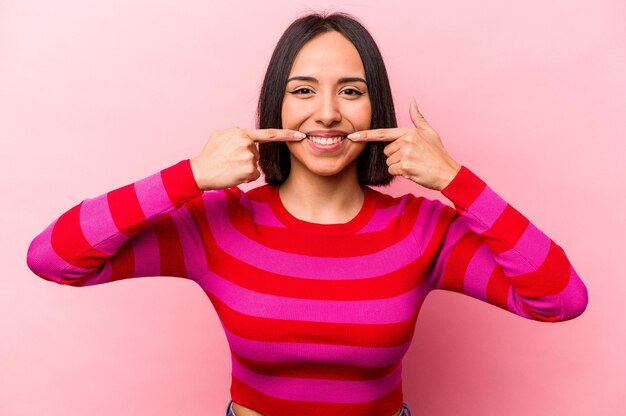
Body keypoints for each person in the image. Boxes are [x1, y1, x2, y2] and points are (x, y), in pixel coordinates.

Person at [26, 11, 588, 416]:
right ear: (276, 104)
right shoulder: (216, 223)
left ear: (376, 108)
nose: (326, 114)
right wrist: (191, 175)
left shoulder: (422, 230)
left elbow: (561, 299)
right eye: (303, 90)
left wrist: (455, 181)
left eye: (350, 91)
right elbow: (54, 257)